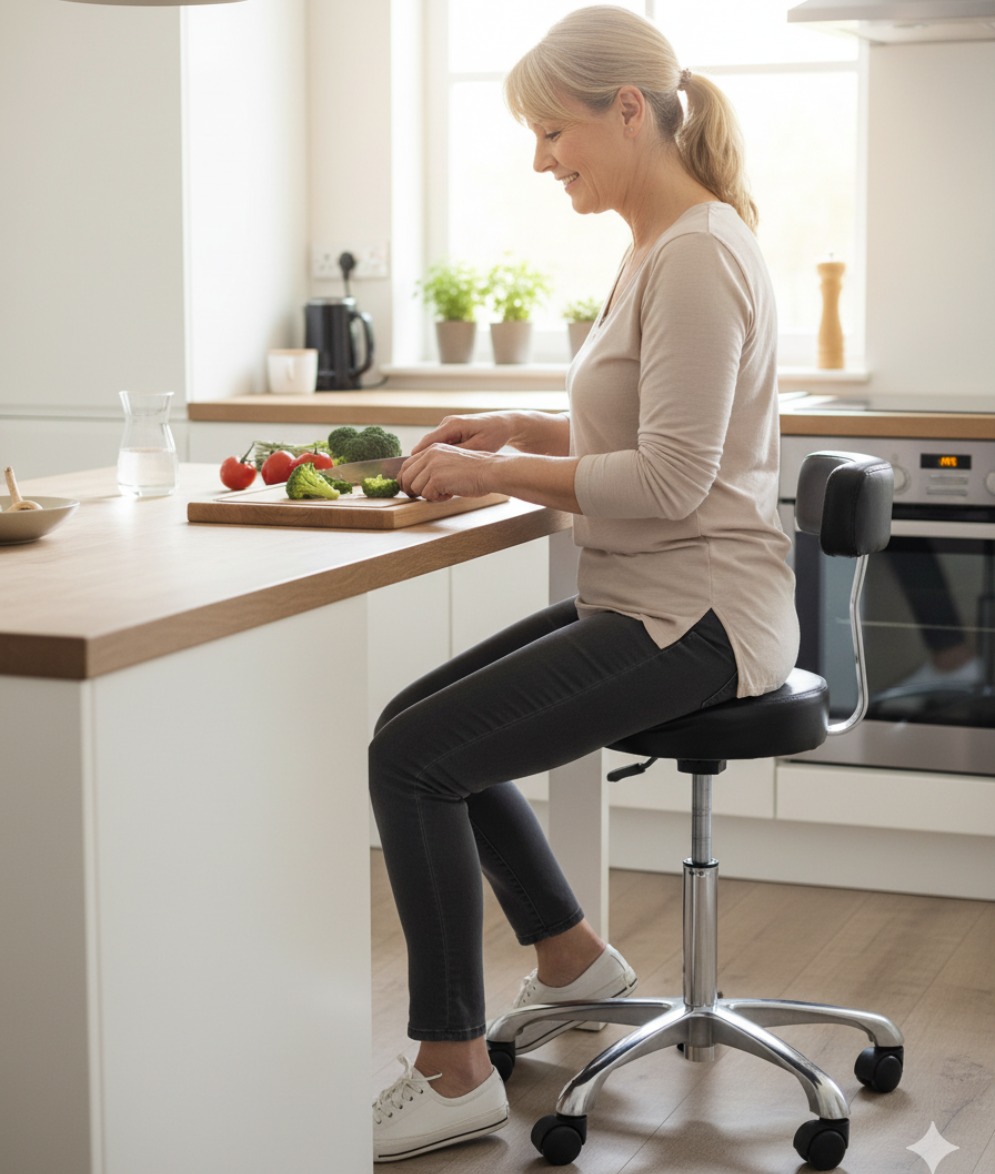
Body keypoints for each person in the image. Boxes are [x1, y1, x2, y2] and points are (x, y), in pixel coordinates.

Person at [368, 5, 799, 1162]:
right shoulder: (657, 243)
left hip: (697, 615)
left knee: (415, 762)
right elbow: (635, 423)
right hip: (650, 597)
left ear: (626, 110)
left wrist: (497, 468)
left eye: (551, 131)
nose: (539, 159)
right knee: (412, 733)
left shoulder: (698, 250)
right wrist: (511, 422)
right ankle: (570, 959)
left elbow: (666, 478)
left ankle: (451, 1066)